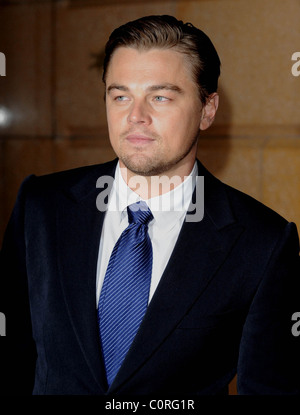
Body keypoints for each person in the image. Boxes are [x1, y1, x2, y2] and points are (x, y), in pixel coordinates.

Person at [0, 15, 299, 396]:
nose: (135, 116)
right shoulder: (41, 207)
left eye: (160, 97)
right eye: (120, 95)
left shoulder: (263, 243)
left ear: (208, 109)